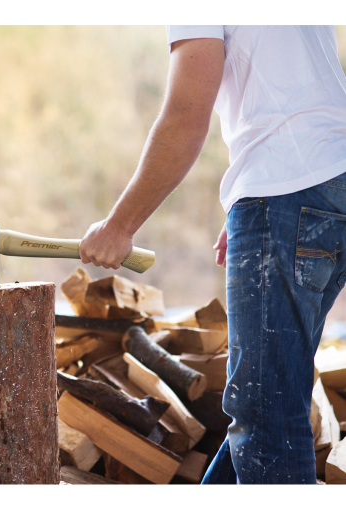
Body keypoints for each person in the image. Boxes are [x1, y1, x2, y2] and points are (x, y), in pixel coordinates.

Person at [78, 25, 346, 485]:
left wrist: (120, 226)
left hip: (285, 191)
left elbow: (185, 115)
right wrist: (259, 194)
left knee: (264, 411)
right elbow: (300, 91)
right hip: (330, 183)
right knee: (270, 397)